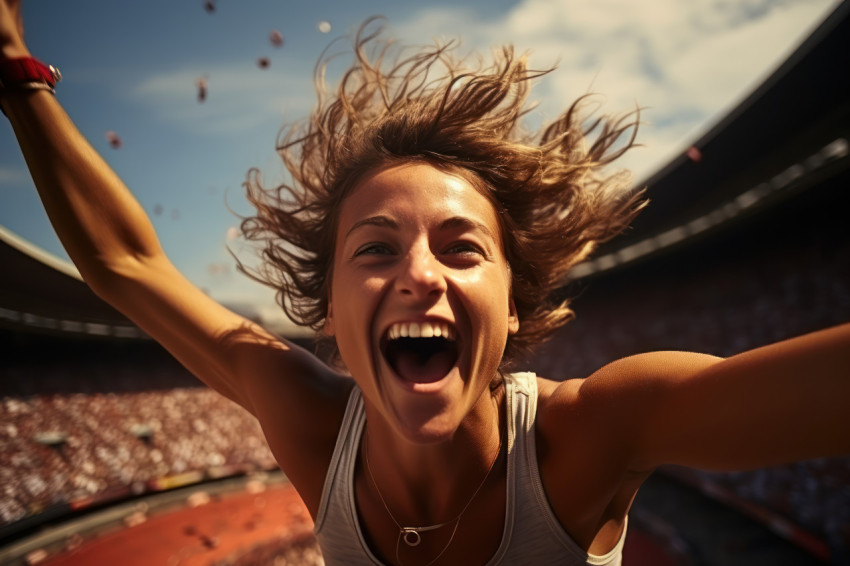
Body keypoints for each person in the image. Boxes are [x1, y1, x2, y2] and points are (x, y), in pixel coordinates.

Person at [1, 3, 848, 565]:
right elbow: (128, 266)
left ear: (512, 302)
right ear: (330, 309)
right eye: (374, 249)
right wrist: (15, 74)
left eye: (462, 247)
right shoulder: (305, 416)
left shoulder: (597, 427)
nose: (417, 273)